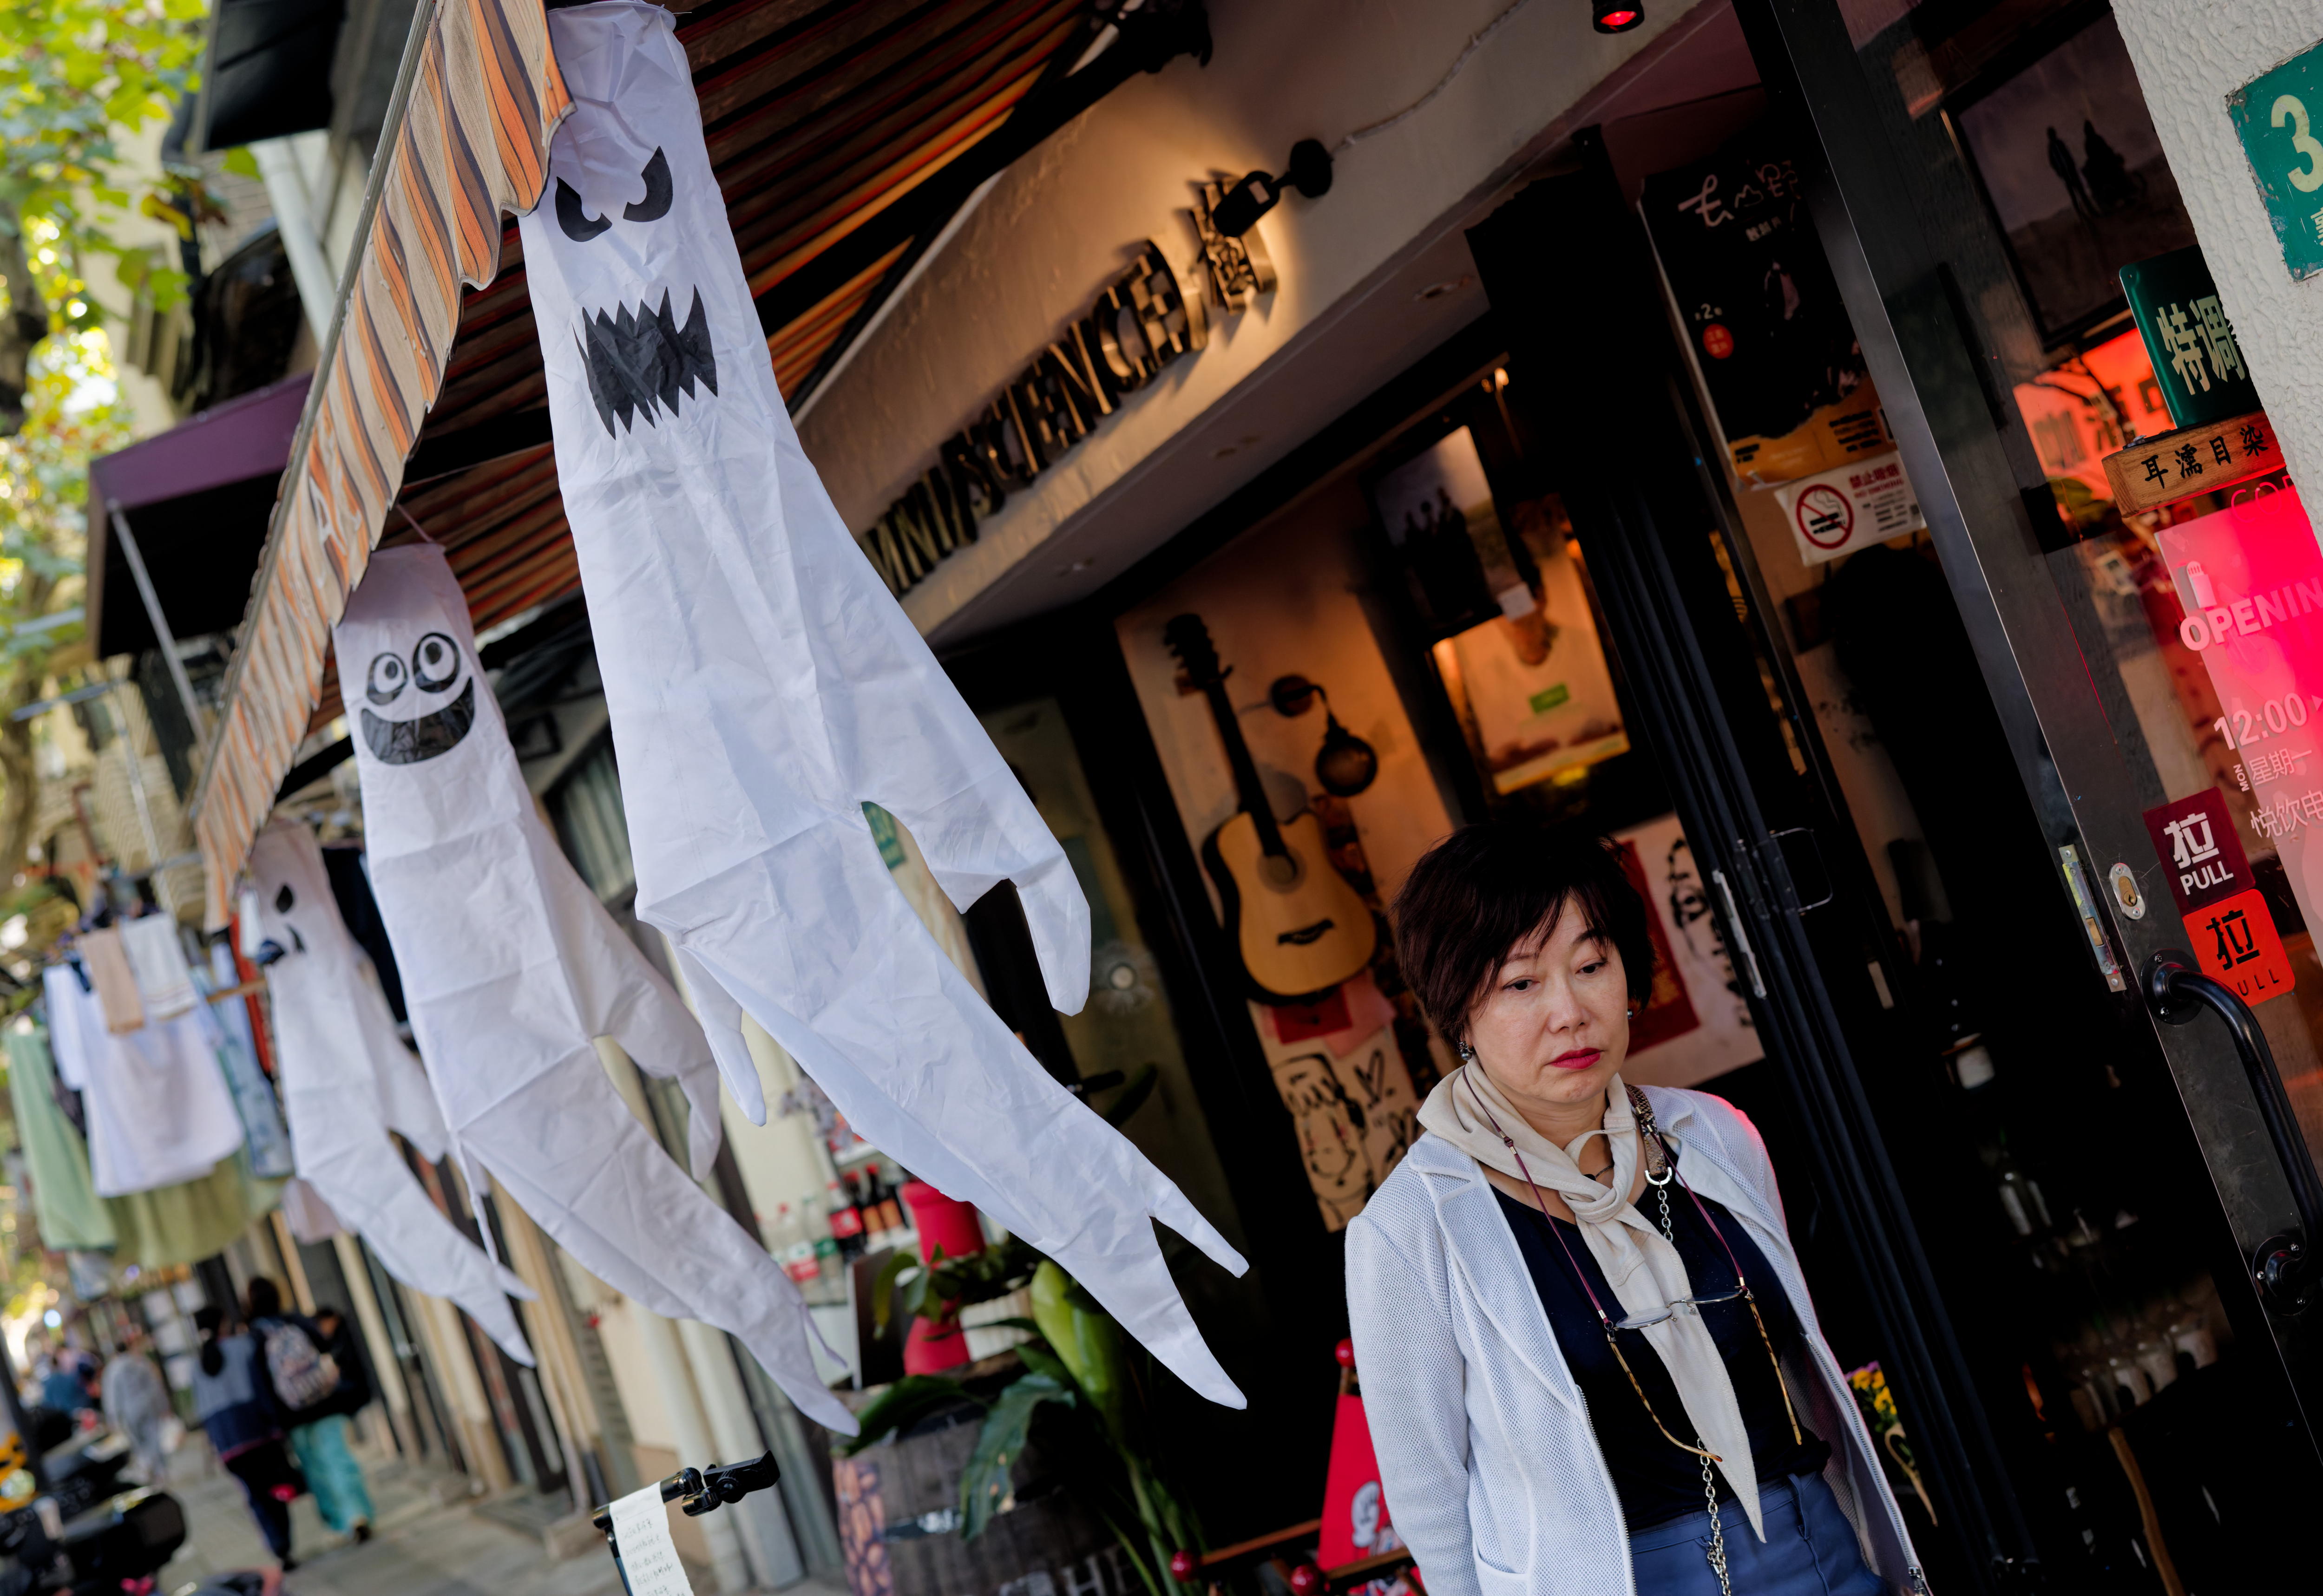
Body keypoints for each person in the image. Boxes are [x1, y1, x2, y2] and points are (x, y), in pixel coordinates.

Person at [1347, 824, 1925, 1596]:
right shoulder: (1415, 1228)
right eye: (1522, 983)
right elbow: (1433, 1503)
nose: (1571, 1011)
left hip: (1816, 1550)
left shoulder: (1714, 1135)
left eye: (1591, 966)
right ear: (1460, 1010)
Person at [246, 1279, 373, 1544]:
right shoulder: (295, 1321)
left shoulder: (255, 1337)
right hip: (326, 1403)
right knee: (339, 1459)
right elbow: (325, 1347)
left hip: (293, 1415)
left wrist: (275, 1422)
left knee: (316, 1471)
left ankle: (339, 1522)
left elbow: (260, 1385)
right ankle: (357, 1514)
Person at [190, 1307, 300, 1570]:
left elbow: (202, 1410)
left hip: (228, 1443)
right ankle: (283, 1544)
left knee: (256, 1497)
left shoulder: (196, 1366)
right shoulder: (244, 1347)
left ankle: (278, 1547)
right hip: (257, 1430)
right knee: (275, 1489)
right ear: (223, 1323)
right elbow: (263, 1387)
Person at [100, 1327, 174, 1483]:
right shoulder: (140, 1362)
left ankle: (148, 1470)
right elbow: (155, 1385)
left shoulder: (113, 1370)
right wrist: (164, 1406)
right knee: (154, 1438)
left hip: (129, 1411)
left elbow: (112, 1397)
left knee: (139, 1444)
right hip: (148, 1405)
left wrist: (113, 1418)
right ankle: (160, 1471)